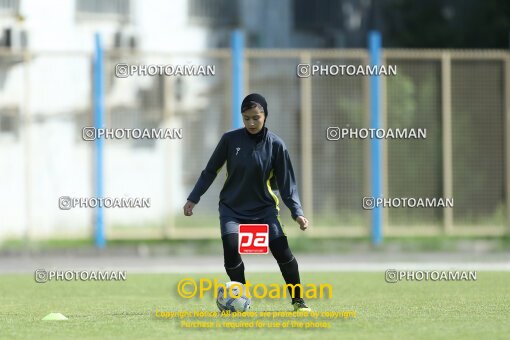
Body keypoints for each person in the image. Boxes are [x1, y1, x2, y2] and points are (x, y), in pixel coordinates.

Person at [183, 93, 311, 311]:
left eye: (256, 117)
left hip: (264, 210)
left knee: (282, 251)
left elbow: (287, 184)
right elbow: (210, 171)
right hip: (232, 209)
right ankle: (241, 300)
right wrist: (193, 199)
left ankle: (298, 300)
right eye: (246, 118)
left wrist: (297, 212)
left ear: (265, 116)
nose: (251, 122)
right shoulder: (230, 140)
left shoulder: (277, 145)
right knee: (231, 248)